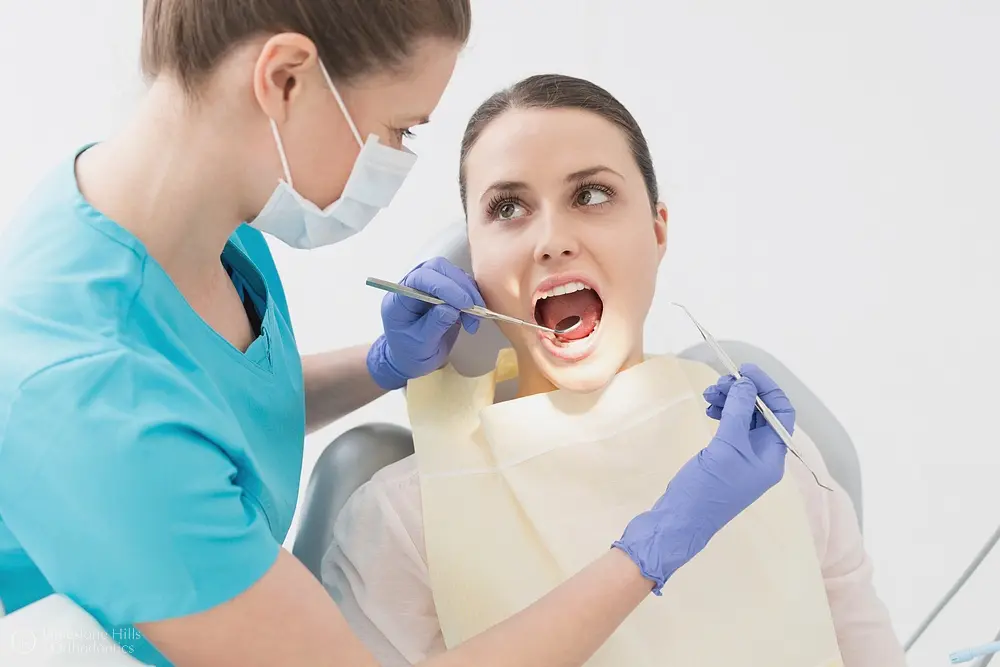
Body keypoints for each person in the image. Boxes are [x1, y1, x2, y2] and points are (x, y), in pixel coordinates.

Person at [0, 3, 793, 666]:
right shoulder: (84, 394)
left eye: (590, 195)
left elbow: (206, 410)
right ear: (285, 79)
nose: (396, 156)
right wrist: (654, 546)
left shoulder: (190, 224)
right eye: (399, 127)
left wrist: (382, 365)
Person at [323, 74, 907, 666]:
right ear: (474, 262)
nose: (552, 240)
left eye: (591, 195)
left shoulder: (767, 456)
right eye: (509, 208)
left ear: (657, 231)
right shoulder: (404, 519)